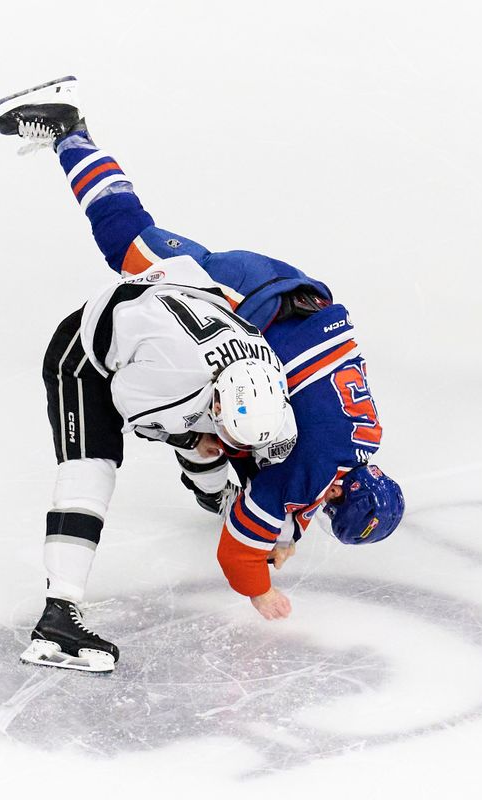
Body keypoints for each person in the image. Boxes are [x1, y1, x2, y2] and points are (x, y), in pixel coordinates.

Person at [0, 76, 405, 643]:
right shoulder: (313, 470)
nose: (324, 506)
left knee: (224, 432)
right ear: (338, 495)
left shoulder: (362, 441)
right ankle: (71, 133)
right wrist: (261, 589)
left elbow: (308, 468)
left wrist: (287, 525)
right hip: (238, 300)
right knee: (128, 243)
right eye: (331, 507)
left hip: (284, 298)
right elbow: (239, 549)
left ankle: (210, 485)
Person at [18, 211, 296, 672]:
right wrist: (191, 435)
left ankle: (213, 494)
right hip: (89, 350)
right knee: (92, 466)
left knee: (200, 433)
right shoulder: (174, 378)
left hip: (175, 308)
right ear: (218, 401)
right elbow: (134, 413)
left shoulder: (271, 393)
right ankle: (58, 614)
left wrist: (278, 530)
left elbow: (271, 457)